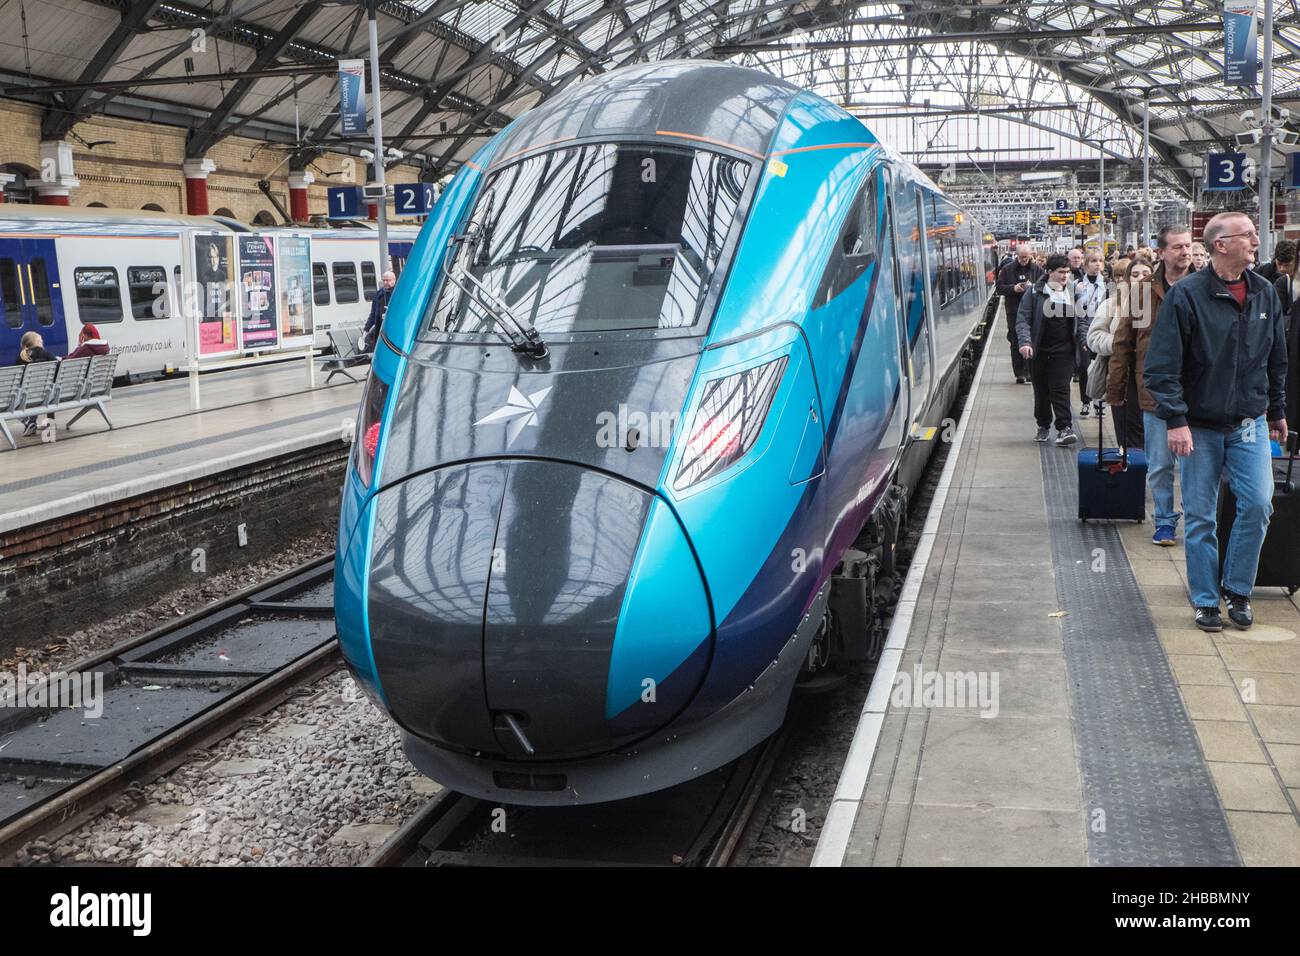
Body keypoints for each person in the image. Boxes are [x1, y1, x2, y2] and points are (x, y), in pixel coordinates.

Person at [1144, 212, 1290, 633]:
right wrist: (1175, 419)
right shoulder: (1187, 296)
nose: (1255, 240)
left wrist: (1276, 410)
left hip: (1249, 423)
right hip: (1199, 426)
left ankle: (1238, 589)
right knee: (1202, 515)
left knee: (1260, 504)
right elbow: (1161, 366)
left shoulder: (1264, 293)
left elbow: (1275, 358)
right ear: (1220, 245)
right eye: (1246, 234)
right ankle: (1206, 599)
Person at [1109, 226, 1192, 547]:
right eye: (1178, 247)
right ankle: (1165, 521)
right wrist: (1115, 388)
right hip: (1154, 391)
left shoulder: (1205, 285)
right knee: (1159, 465)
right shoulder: (1143, 292)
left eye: (1188, 246)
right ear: (1161, 253)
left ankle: (1196, 520)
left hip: (1197, 392)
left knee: (1193, 468)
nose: (1185, 252)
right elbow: (1123, 342)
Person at [1017, 253, 1086, 446]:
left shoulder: (1074, 292)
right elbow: (1023, 319)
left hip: (1064, 351)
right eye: (1061, 272)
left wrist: (1085, 339)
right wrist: (1025, 342)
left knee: (1061, 389)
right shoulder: (1034, 293)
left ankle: (1064, 427)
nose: (1065, 276)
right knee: (1041, 391)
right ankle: (1043, 425)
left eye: (1068, 272)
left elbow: (1081, 320)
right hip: (1038, 350)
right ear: (1049, 273)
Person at [995, 246, 1043, 384]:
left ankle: (1029, 371)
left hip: (1033, 311)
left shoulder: (1037, 270)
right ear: (1017, 255)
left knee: (1031, 340)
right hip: (1014, 311)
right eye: (1021, 257)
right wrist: (1013, 288)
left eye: (1026, 257)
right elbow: (999, 288)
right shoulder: (1007, 270)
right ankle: (1019, 373)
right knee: (1015, 340)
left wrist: (1033, 287)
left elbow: (1046, 286)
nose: (1024, 260)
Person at [1073, 251, 1107, 417]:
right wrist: (1084, 336)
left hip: (1103, 331)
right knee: (1084, 367)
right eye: (1093, 261)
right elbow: (1079, 314)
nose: (1097, 264)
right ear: (1086, 265)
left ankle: (1099, 402)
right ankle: (1086, 401)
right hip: (1085, 330)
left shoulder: (1107, 284)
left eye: (1100, 261)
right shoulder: (1077, 285)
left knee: (1102, 367)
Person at [15, 331, 59, 437]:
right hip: (48, 395)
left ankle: (29, 422)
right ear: (37, 342)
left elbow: (18, 380)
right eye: (41, 339)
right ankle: (49, 423)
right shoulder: (47, 354)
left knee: (19, 398)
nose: (42, 340)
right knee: (42, 391)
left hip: (28, 396)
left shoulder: (20, 358)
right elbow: (57, 372)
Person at [362, 270, 397, 352]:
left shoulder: (399, 293)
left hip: (394, 330)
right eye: (384, 280)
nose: (385, 282)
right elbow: (373, 314)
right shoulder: (379, 294)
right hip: (380, 329)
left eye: (387, 280)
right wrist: (366, 329)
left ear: (394, 280)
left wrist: (389, 314)